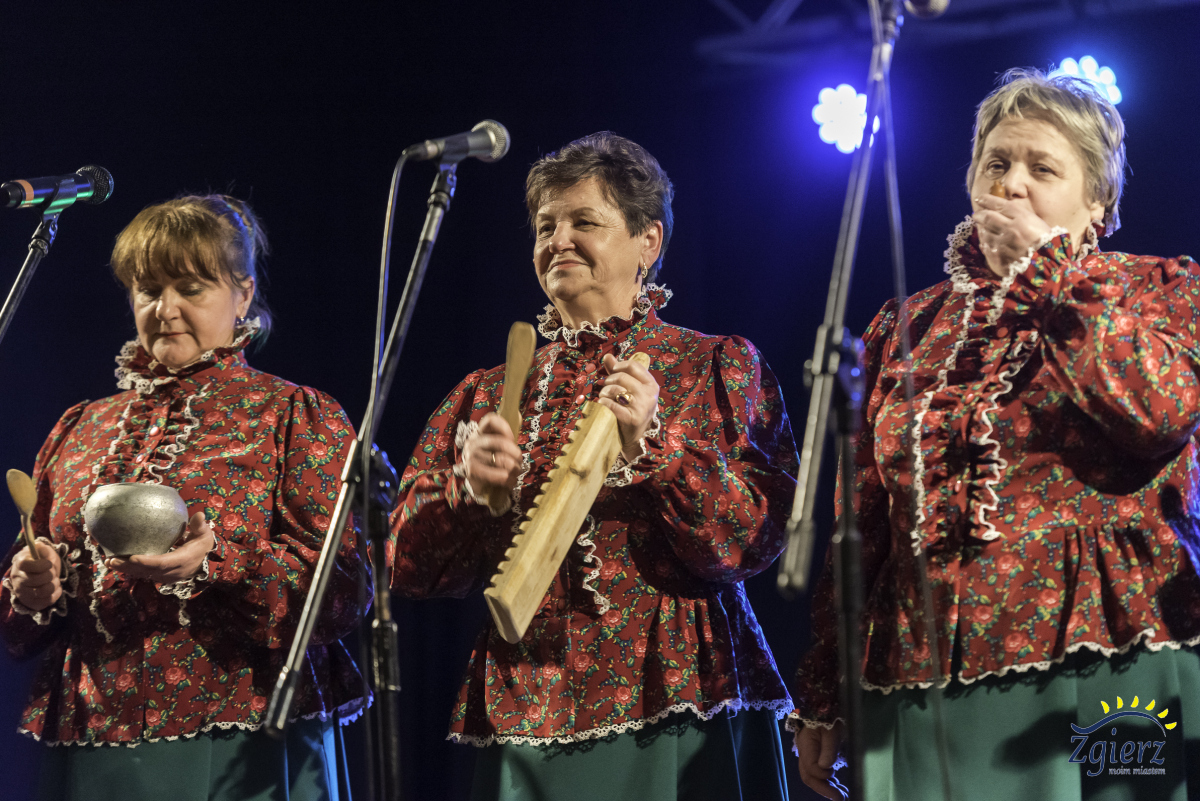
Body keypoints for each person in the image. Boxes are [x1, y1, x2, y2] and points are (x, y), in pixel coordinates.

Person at [792, 68, 1200, 800]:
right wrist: (825, 687)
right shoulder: (908, 323)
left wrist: (1045, 277)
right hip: (916, 669)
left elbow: (1158, 412)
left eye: (1043, 169)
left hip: (1104, 656)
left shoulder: (1156, 289)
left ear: (1098, 199)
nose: (1012, 184)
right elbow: (865, 518)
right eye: (996, 163)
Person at [389, 132, 798, 800]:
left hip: (677, 694)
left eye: (585, 222)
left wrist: (658, 451)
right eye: (545, 226)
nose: (559, 241)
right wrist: (466, 491)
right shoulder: (486, 392)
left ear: (648, 242)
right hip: (526, 701)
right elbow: (405, 567)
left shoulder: (710, 366)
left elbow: (754, 538)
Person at [0, 195, 369, 801]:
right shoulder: (81, 427)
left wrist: (217, 564)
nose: (165, 309)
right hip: (92, 737)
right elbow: (19, 624)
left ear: (244, 295)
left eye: (191, 288)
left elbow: (344, 592)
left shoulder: (292, 415)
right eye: (148, 290)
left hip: (240, 738)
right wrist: (32, 589)